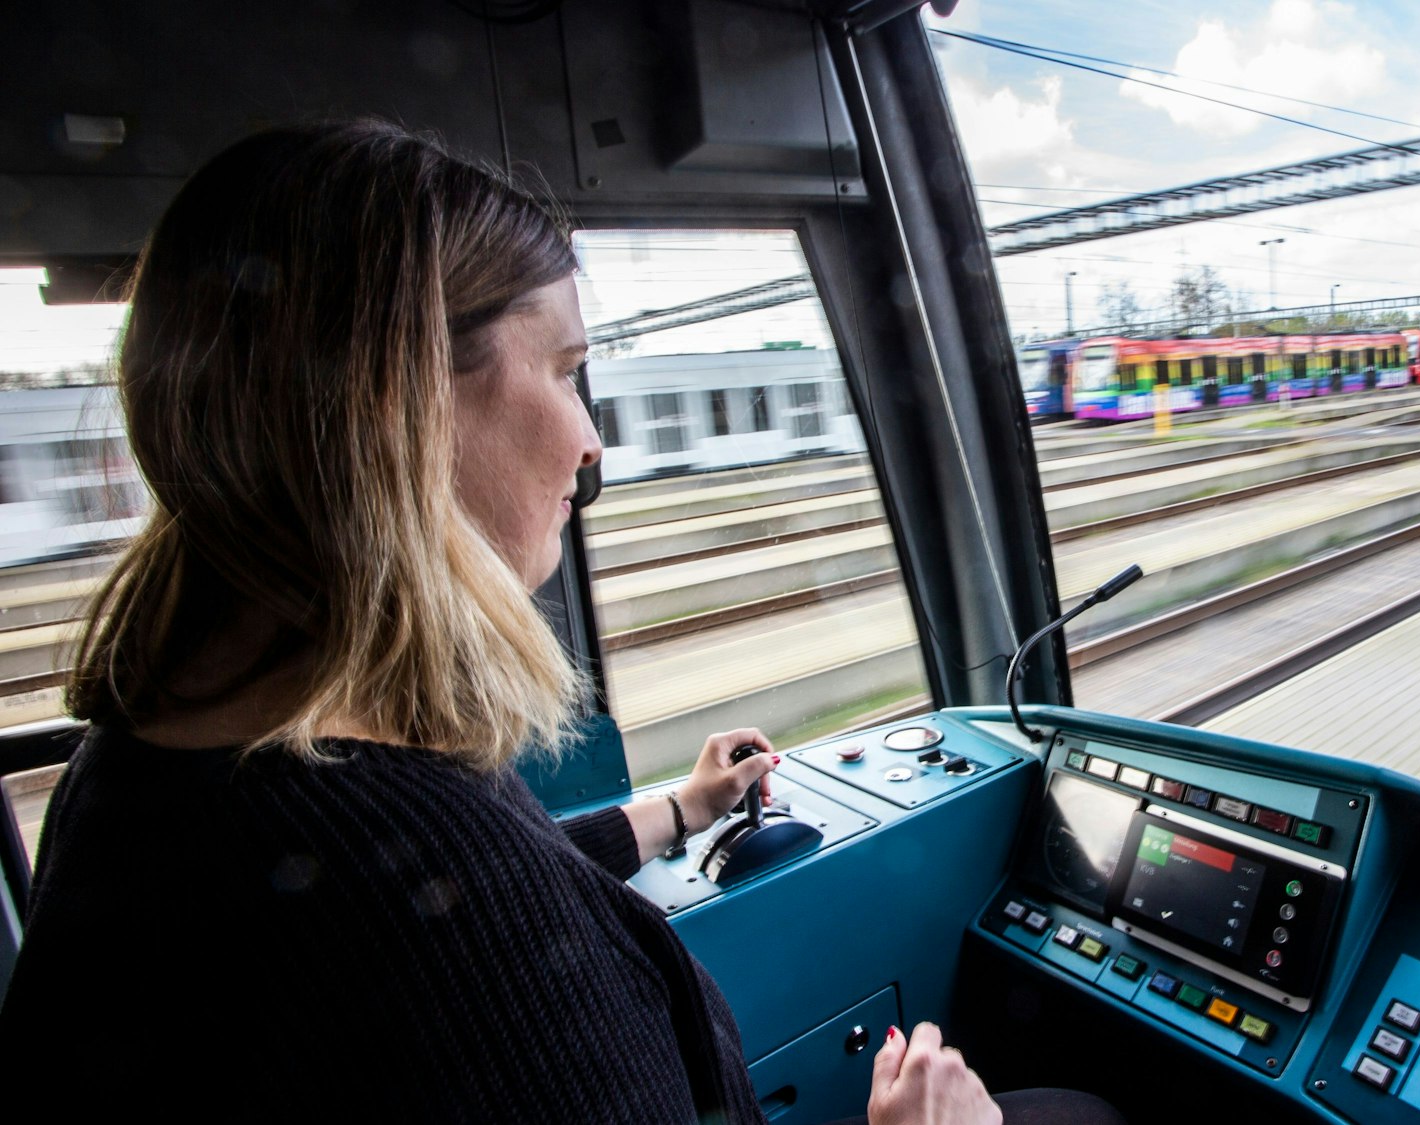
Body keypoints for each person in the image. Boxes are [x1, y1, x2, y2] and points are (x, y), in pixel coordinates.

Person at [0, 121, 1117, 1125]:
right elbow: (471, 900)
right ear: (398, 404)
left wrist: (678, 809)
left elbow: (475, 860)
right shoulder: (460, 961)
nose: (590, 441)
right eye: (567, 370)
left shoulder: (148, 772)